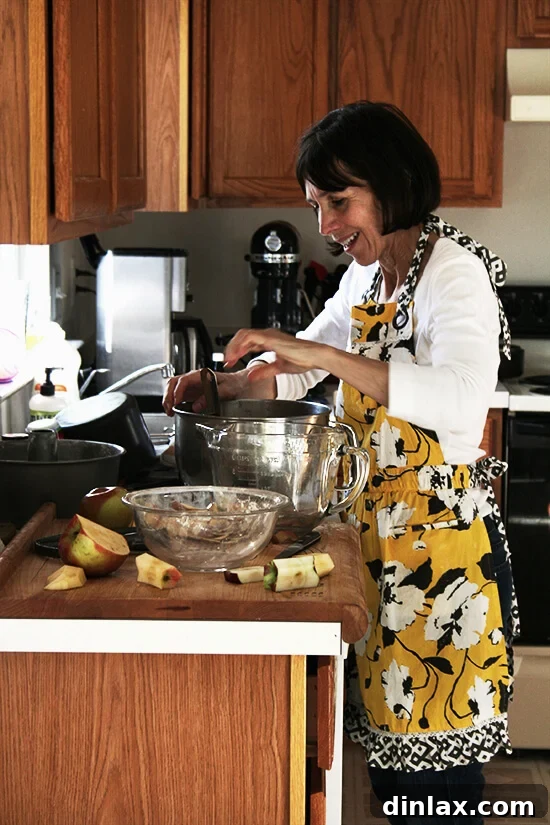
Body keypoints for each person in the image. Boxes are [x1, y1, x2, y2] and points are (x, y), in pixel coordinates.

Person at [164, 101, 519, 823]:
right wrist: (225, 384)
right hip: (377, 558)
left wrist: (322, 355)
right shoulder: (365, 276)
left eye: (338, 202)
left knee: (436, 800)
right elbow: (297, 370)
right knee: (394, 790)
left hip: (440, 573)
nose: (325, 225)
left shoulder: (454, 276)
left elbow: (459, 402)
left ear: (390, 185)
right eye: (316, 205)